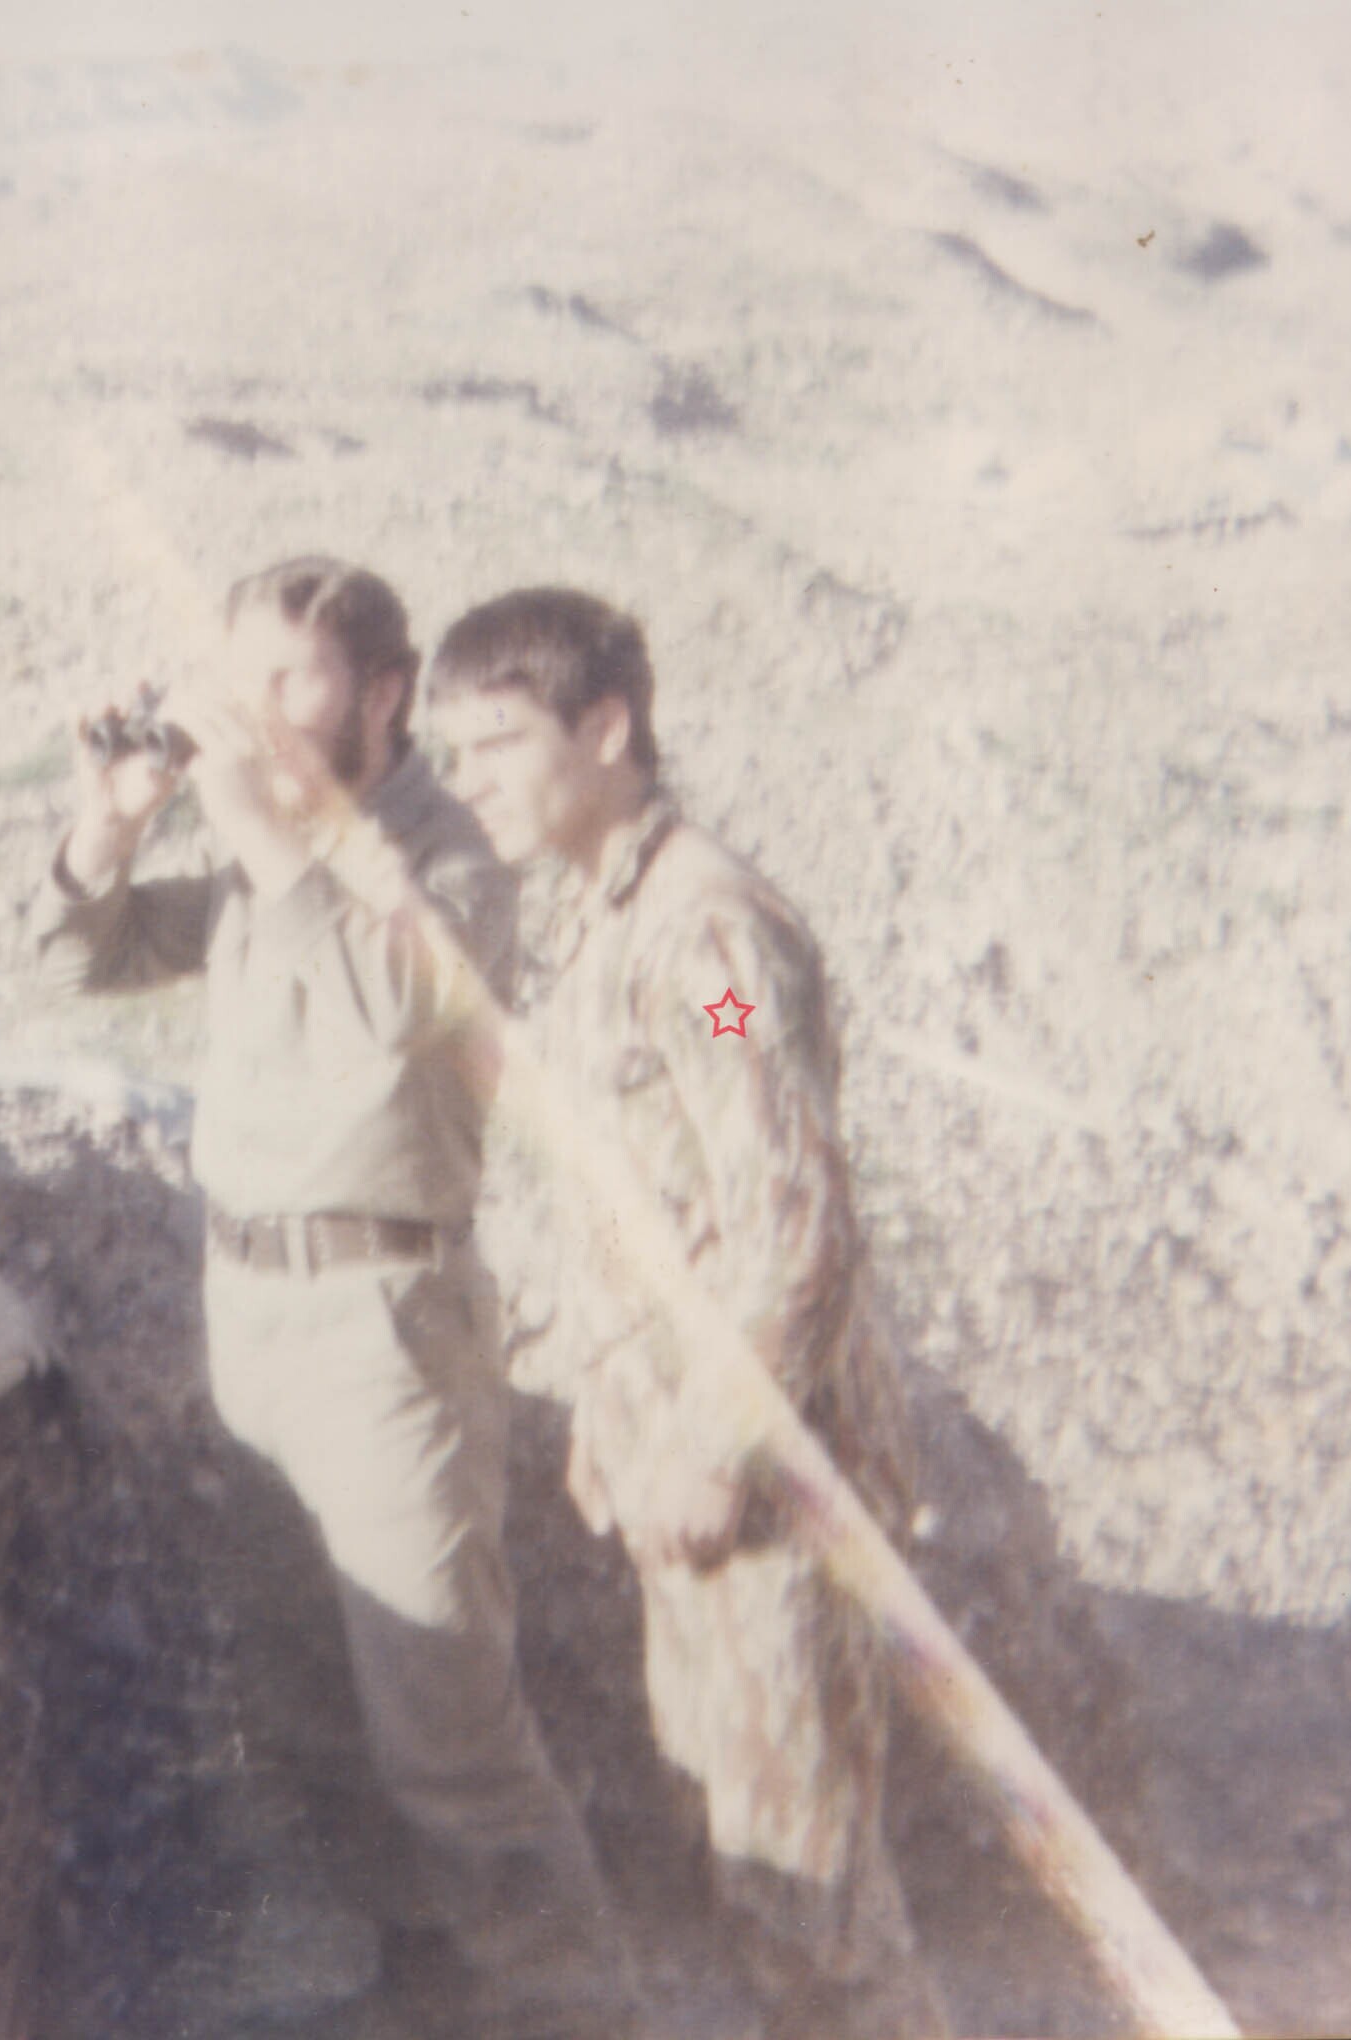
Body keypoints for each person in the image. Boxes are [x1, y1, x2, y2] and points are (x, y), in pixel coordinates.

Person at [30, 557, 628, 2038]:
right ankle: (411, 1990)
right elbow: (91, 955)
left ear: (383, 695)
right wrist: (109, 828)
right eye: (243, 680)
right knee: (301, 1704)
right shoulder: (285, 851)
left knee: (449, 1728)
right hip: (259, 1319)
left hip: (387, 1333)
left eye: (290, 680)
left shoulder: (465, 863)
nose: (258, 714)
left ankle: (594, 2003)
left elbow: (381, 1008)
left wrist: (254, 812)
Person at [429, 587, 943, 2038]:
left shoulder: (707, 946)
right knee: (747, 1862)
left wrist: (715, 1447)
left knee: (814, 1900)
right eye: (453, 753)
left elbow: (792, 1218)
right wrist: (612, 1406)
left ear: (607, 731)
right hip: (685, 1466)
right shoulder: (611, 916)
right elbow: (637, 1204)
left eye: (499, 744)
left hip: (770, 1480)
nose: (469, 783)